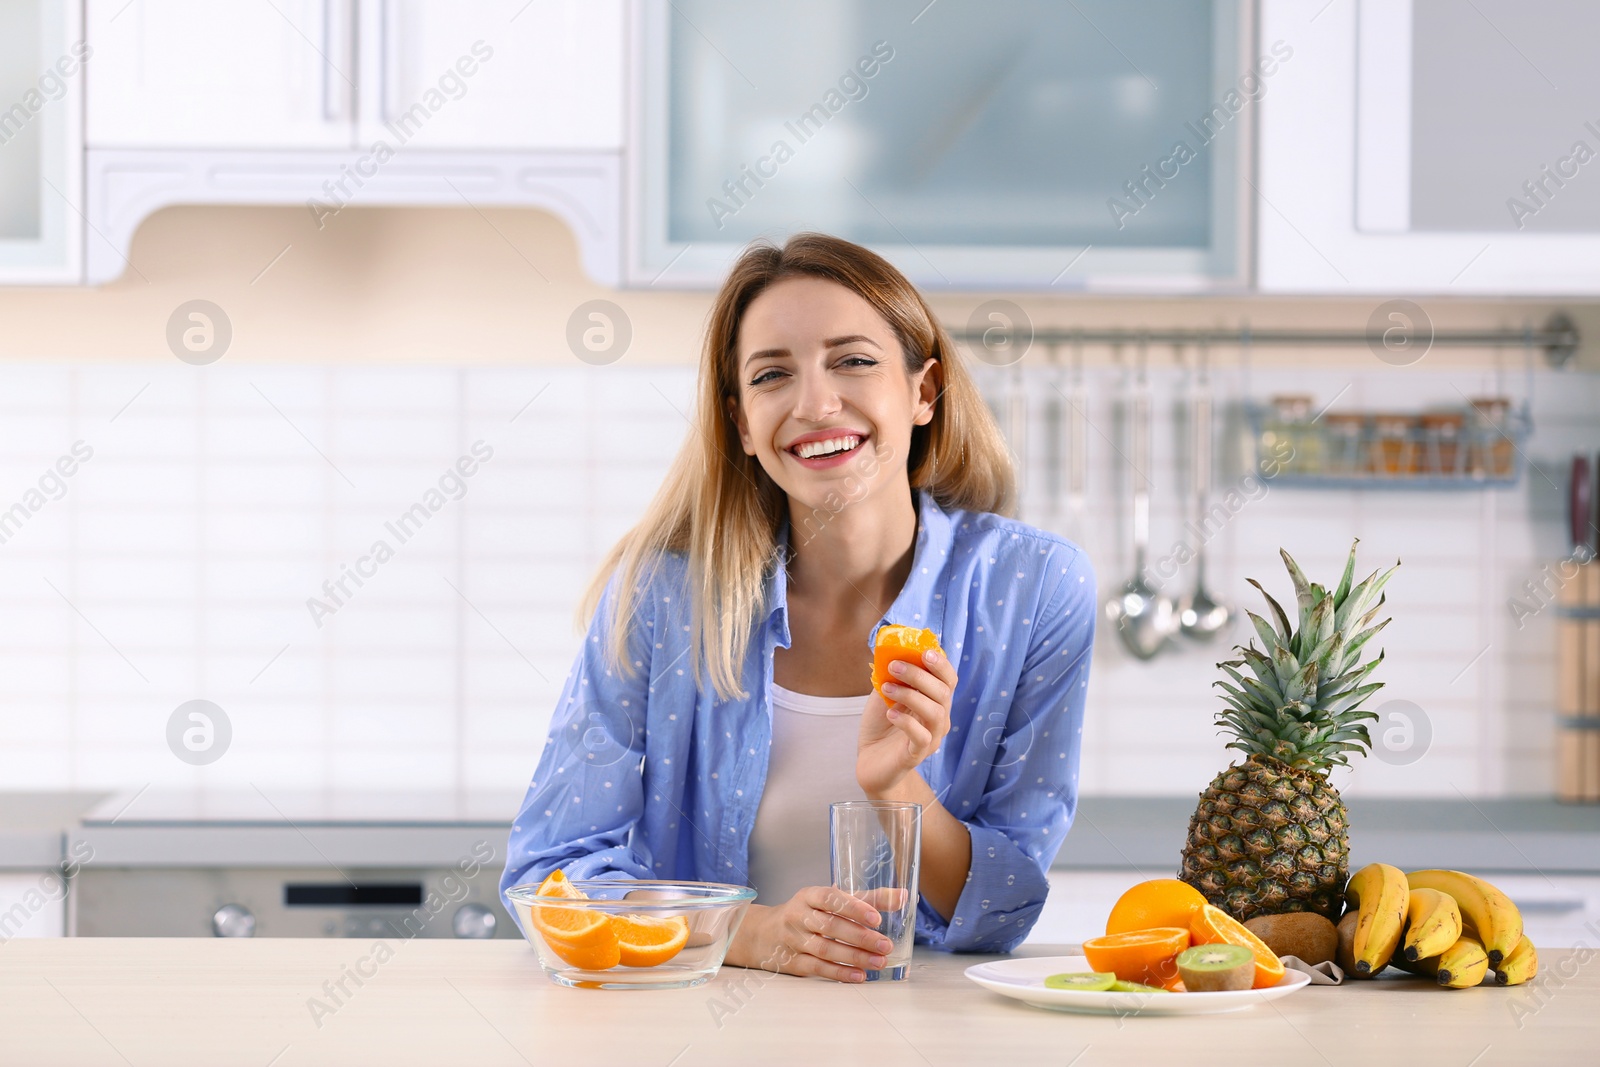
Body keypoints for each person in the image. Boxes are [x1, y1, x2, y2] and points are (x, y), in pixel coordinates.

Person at [501, 233, 1096, 982]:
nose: (815, 403)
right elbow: (552, 876)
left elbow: (1005, 910)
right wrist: (751, 934)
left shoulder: (1037, 588)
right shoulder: (659, 596)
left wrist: (897, 787)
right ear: (743, 424)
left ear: (924, 391)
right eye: (773, 374)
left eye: (853, 360)